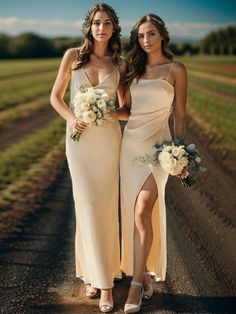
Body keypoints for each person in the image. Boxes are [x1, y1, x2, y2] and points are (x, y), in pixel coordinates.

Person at [50, 3, 126, 313]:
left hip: (107, 142)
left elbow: (126, 110)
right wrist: (71, 118)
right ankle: (94, 275)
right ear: (89, 27)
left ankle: (103, 282)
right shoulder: (72, 56)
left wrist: (108, 110)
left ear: (113, 28)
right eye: (96, 23)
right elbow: (55, 96)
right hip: (79, 143)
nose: (101, 28)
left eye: (107, 23)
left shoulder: (120, 63)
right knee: (87, 206)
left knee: (103, 206)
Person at [116, 14, 187, 313]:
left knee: (143, 209)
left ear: (162, 35)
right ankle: (143, 274)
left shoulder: (176, 69)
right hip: (130, 146)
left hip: (159, 149)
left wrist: (181, 154)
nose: (146, 40)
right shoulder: (132, 70)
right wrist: (102, 114)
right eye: (142, 36)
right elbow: (125, 111)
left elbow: (179, 115)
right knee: (135, 215)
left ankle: (135, 283)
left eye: (152, 34)